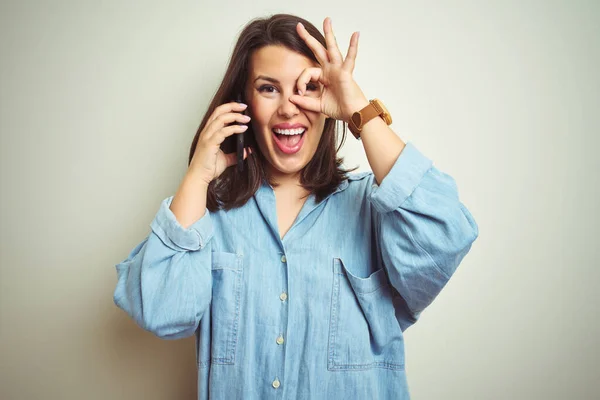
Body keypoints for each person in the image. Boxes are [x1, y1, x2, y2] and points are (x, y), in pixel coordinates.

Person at [113, 13, 479, 400]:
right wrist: (196, 179)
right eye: (269, 89)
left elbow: (447, 236)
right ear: (245, 104)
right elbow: (160, 312)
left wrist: (358, 108)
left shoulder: (374, 209)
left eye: (306, 87)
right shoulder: (208, 216)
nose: (289, 108)